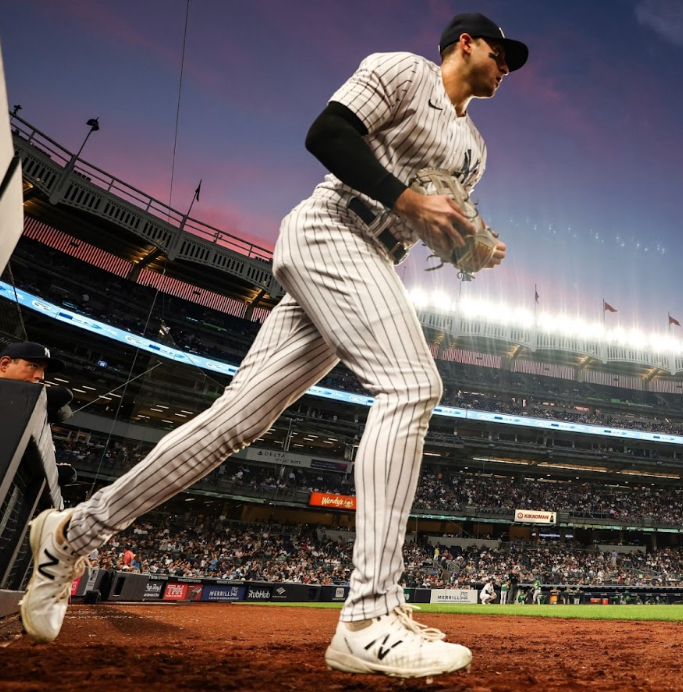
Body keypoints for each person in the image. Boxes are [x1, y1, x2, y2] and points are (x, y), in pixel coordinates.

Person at [20, 12, 527, 680]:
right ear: (466, 44)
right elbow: (328, 134)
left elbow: (431, 224)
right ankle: (370, 616)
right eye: (500, 53)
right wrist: (406, 198)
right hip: (330, 232)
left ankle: (68, 534)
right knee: (412, 385)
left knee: (237, 422)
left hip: (370, 257)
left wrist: (469, 246)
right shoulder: (406, 72)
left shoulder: (475, 150)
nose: (507, 67)